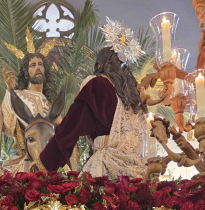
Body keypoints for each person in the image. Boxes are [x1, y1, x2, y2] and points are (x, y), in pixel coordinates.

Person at [39, 46, 147, 178]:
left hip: (106, 168)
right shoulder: (135, 97)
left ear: (99, 65)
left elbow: (71, 127)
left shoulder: (98, 86)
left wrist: (45, 164)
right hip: (138, 171)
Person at [0, 51, 57, 174]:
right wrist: (9, 90)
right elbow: (7, 125)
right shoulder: (18, 95)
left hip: (50, 160)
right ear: (26, 73)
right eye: (32, 65)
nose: (38, 67)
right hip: (25, 160)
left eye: (40, 64)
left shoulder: (49, 104)